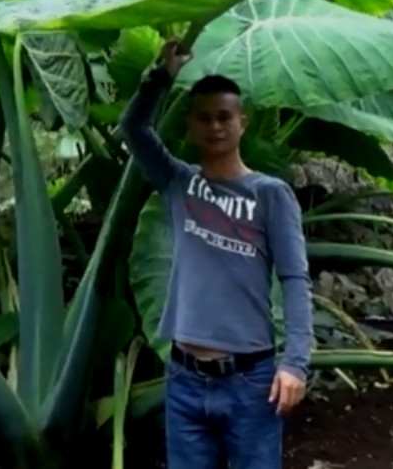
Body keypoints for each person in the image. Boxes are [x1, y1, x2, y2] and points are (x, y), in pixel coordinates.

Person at [119, 38, 313, 469]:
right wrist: (161, 74)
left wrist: (296, 363)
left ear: (242, 122)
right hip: (185, 380)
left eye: (224, 117)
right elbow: (133, 128)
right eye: (204, 118)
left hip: (251, 381)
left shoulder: (270, 194)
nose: (215, 126)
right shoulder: (178, 183)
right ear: (191, 126)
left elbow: (295, 279)